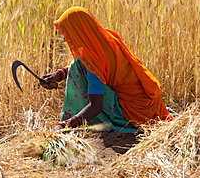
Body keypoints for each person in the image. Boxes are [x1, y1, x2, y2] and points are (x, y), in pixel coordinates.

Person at [41, 7, 173, 131]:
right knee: (78, 65)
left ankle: (100, 120)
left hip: (133, 114)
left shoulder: (94, 61)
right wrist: (59, 75)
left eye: (67, 33)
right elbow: (87, 65)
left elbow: (95, 106)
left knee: (77, 65)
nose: (65, 38)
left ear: (79, 32)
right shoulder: (107, 39)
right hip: (149, 107)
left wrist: (65, 125)